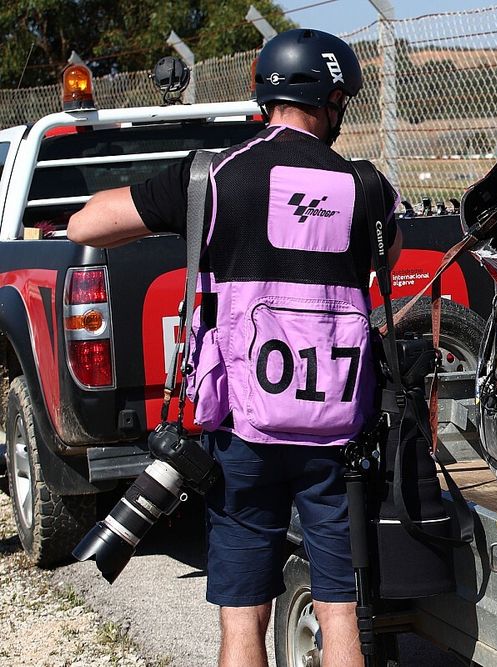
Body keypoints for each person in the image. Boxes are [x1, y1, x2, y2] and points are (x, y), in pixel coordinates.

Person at [68, 28, 402, 667]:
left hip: (242, 430)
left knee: (244, 615)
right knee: (340, 616)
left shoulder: (213, 177)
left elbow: (87, 224)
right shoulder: (368, 188)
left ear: (265, 94)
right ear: (330, 98)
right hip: (334, 432)